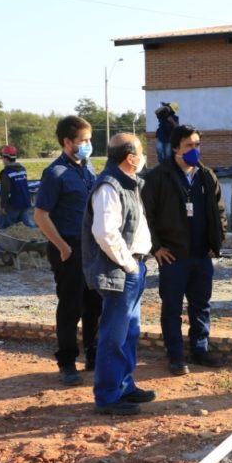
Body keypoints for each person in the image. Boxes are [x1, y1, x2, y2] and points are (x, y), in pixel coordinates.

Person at [142, 125, 228, 376]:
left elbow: (219, 212)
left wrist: (216, 241)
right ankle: (176, 355)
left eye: (197, 145)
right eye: (189, 145)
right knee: (172, 308)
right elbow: (146, 216)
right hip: (173, 257)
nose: (194, 150)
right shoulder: (158, 177)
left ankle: (200, 350)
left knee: (201, 306)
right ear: (176, 148)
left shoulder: (206, 175)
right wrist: (156, 248)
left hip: (201, 255)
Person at [81, 133, 155, 415]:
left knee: (129, 332)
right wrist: (129, 264)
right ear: (130, 158)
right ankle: (108, 396)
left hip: (133, 267)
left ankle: (124, 385)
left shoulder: (129, 183)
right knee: (114, 334)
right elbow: (104, 233)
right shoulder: (109, 187)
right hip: (121, 271)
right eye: (141, 152)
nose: (144, 156)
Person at [34, 116, 101, 386]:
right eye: (83, 141)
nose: (88, 145)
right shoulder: (55, 174)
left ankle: (94, 355)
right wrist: (62, 246)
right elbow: (41, 215)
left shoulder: (88, 168)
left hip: (93, 247)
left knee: (95, 304)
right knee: (71, 306)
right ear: (67, 142)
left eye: (89, 139)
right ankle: (67, 361)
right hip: (70, 247)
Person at [0, 145, 37, 229]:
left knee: (4, 227)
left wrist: (2, 206)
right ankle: (37, 237)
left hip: (13, 204)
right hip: (25, 202)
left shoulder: (6, 173)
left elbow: (5, 191)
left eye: (2, 157)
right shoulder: (23, 170)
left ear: (6, 158)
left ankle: (3, 241)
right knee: (27, 225)